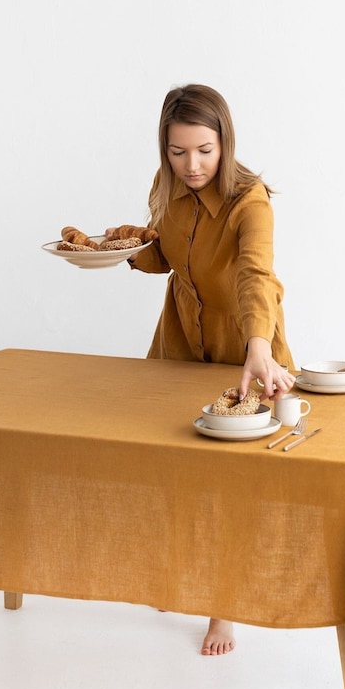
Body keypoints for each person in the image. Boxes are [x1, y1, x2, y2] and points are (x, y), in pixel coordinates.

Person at [110, 83, 296, 656]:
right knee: (170, 470)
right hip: (180, 348)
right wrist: (120, 250)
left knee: (230, 484)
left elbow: (253, 276)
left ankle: (224, 607)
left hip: (245, 354)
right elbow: (166, 253)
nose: (191, 165)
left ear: (225, 143)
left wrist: (258, 346)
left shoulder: (251, 201)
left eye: (205, 151)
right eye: (178, 152)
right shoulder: (166, 192)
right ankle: (177, 573)